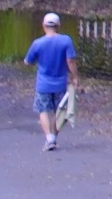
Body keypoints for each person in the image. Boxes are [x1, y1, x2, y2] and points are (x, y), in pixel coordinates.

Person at [22, 13, 75, 152]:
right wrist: (75, 76)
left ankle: (49, 138)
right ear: (58, 26)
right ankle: (54, 137)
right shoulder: (66, 41)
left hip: (43, 83)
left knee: (43, 110)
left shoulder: (38, 43)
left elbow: (27, 62)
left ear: (43, 25)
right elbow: (70, 61)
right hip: (60, 83)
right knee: (60, 111)